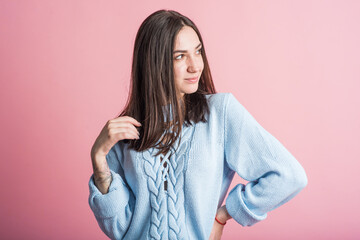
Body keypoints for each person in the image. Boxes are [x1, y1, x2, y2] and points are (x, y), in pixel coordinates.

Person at [88, 9, 308, 240]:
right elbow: (121, 231)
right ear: (153, 63)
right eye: (180, 56)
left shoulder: (220, 113)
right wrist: (99, 160)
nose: (196, 66)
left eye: (198, 51)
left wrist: (224, 214)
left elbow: (289, 175)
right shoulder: (126, 132)